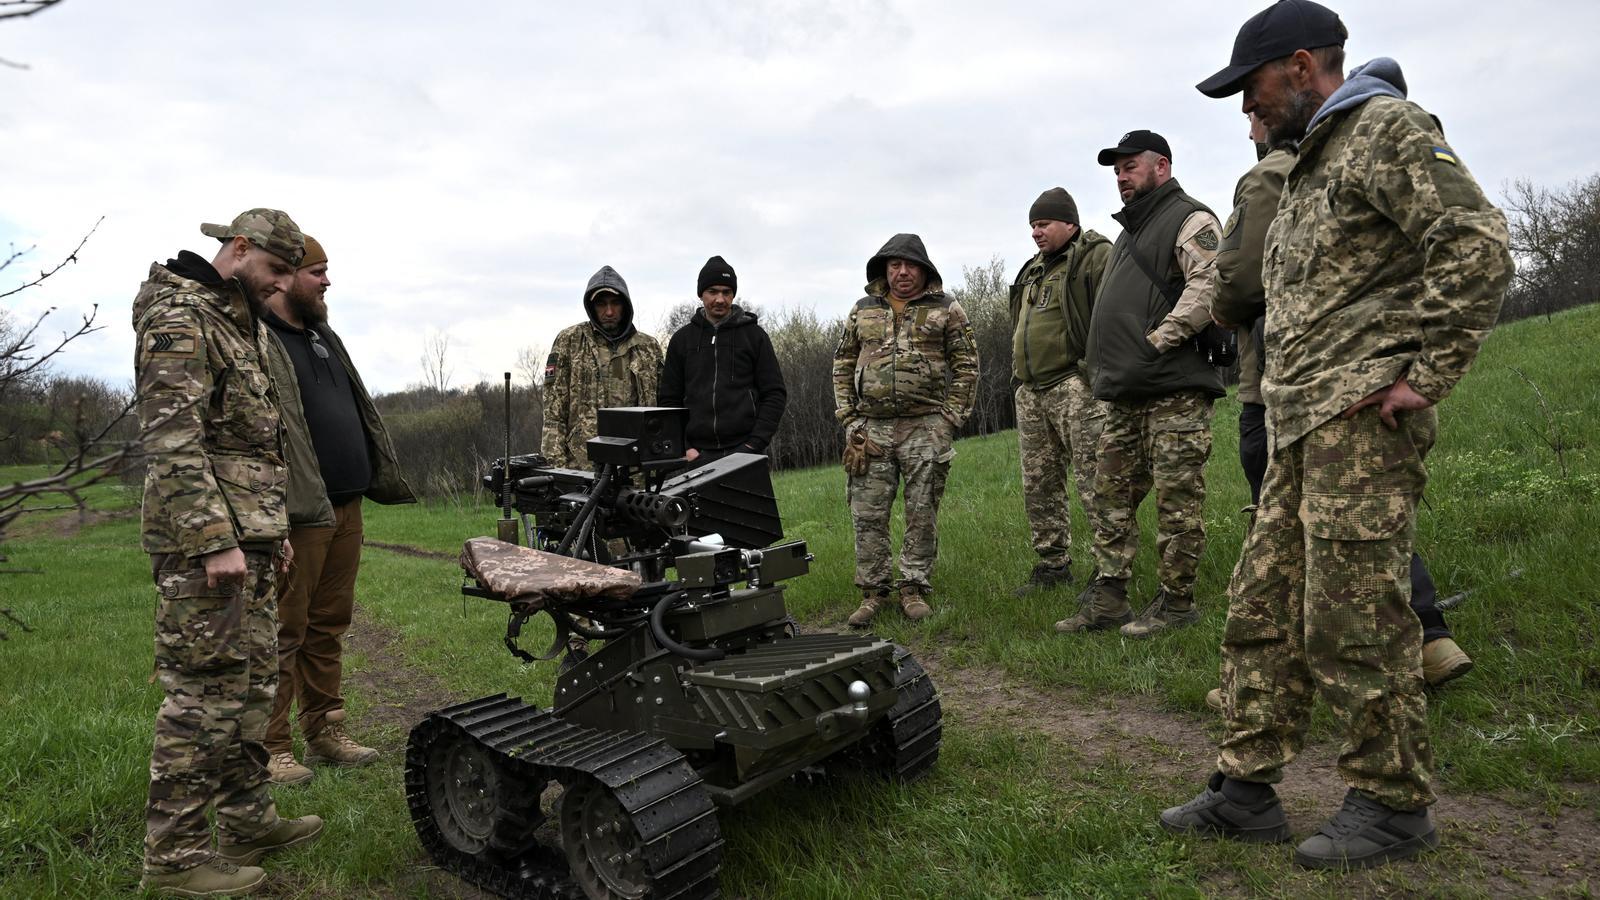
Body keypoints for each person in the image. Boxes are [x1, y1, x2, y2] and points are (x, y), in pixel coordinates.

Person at [1163, 0, 1513, 869]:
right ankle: (1245, 790)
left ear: (1302, 64)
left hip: (1359, 421)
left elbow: (1475, 241)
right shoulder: (1311, 163)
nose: (1248, 106)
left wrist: (1424, 374)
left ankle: (1392, 805)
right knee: (1261, 610)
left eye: (1251, 88)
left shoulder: (1385, 128)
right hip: (1296, 425)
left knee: (1355, 617)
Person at [1201, 113, 1472, 712]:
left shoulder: (1272, 175)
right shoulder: (1351, 162)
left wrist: (1219, 309)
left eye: (1253, 113)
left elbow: (1240, 278)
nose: (1249, 126)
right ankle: (1428, 639)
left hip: (1286, 383)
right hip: (1358, 374)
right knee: (1364, 517)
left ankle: (1298, 682)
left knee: (1288, 537)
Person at [133, 209, 323, 896]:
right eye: (274, 270)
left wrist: (272, 533)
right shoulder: (180, 316)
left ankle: (247, 822)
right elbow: (173, 438)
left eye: (290, 274)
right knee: (203, 696)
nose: (282, 286)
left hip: (253, 541)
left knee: (250, 688)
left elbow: (251, 441)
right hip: (205, 549)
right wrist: (214, 540)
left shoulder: (239, 319)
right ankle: (174, 859)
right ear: (238, 249)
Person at [260, 235, 417, 786]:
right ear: (286, 276)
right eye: (318, 271)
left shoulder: (323, 335)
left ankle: (324, 731)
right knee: (284, 629)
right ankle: (271, 747)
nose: (327, 281)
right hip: (298, 512)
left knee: (328, 625)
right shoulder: (259, 338)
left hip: (346, 505)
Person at [1064, 131, 1225, 637]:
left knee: (1178, 503)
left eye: (1130, 166)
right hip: (1126, 392)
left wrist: (1160, 340)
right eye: (1116, 170)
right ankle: (1109, 599)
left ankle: (1177, 605)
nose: (1121, 177)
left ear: (1162, 166)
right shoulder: (1130, 232)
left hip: (1174, 389)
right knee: (1109, 497)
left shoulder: (1190, 218)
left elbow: (1210, 282)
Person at [834, 234, 978, 626]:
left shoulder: (946, 308)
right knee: (867, 513)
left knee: (921, 511)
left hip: (925, 426)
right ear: (884, 269)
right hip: (871, 430)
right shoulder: (862, 310)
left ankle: (913, 587)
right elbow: (843, 363)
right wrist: (849, 419)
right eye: (894, 265)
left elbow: (967, 365)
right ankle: (873, 592)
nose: (902, 272)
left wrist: (949, 420)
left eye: (910, 265)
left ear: (924, 269)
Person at [1008, 189, 1114, 598]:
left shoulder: (1093, 256)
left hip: (1075, 386)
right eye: (1032, 226)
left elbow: (1112, 314)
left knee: (1095, 480)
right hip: (1032, 391)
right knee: (1039, 485)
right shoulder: (1033, 269)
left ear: (1070, 223)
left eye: (1044, 224)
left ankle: (1110, 570)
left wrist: (1092, 373)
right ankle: (1053, 565)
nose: (1036, 232)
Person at [658, 255, 788, 463]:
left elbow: (774, 394)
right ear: (701, 294)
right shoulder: (682, 340)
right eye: (713, 291)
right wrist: (685, 446)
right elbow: (669, 400)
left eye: (726, 292)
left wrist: (754, 444)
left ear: (733, 295)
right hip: (696, 456)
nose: (720, 299)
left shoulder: (755, 336)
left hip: (746, 453)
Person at [541, 265, 663, 470]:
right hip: (582, 465)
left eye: (615, 303)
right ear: (591, 306)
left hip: (636, 467)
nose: (609, 312)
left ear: (625, 305)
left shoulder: (648, 348)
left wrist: (657, 464)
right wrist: (556, 469)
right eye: (601, 304)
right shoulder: (569, 341)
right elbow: (554, 412)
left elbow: (662, 411)